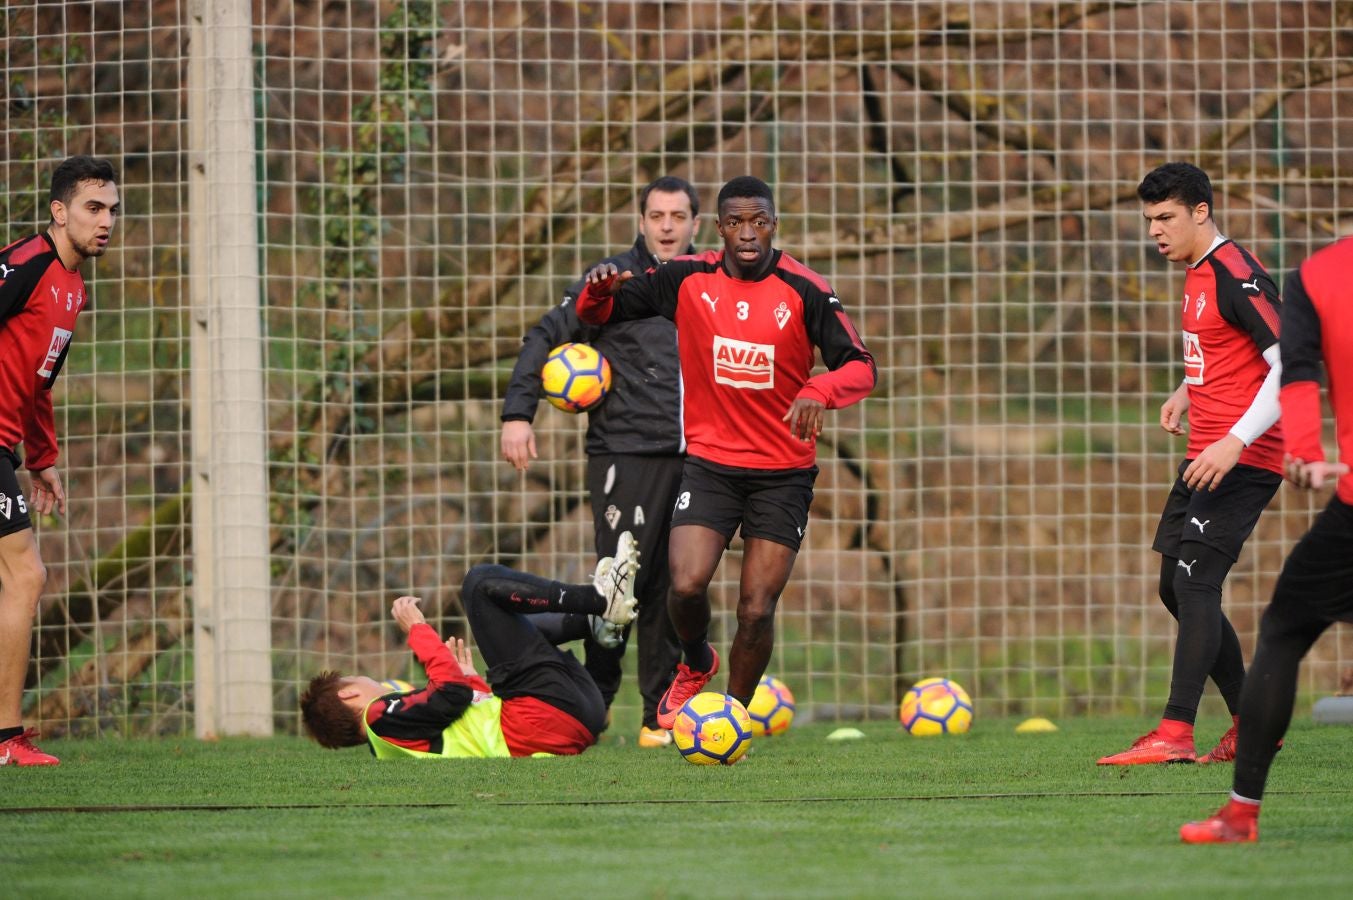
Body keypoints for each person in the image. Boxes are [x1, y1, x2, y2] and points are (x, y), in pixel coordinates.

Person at [574, 175, 876, 727]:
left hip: (782, 473)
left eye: (758, 221)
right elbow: (601, 314)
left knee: (755, 608)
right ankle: (696, 661)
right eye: (736, 222)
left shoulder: (806, 289)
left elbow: (861, 366)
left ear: (774, 224)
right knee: (685, 584)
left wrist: (819, 390)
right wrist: (597, 291)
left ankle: (729, 718)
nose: (748, 233)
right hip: (711, 465)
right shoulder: (686, 277)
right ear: (718, 228)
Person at [501, 176, 700, 747]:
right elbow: (544, 334)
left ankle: (659, 715)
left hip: (699, 457)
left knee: (678, 585)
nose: (667, 226)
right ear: (641, 222)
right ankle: (595, 699)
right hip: (626, 454)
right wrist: (518, 414)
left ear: (695, 224)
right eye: (657, 216)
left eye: (678, 216)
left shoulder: (707, 282)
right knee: (619, 582)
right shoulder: (610, 283)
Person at [1098, 162, 1284, 766]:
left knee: (1195, 582)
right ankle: (1253, 724)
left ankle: (1175, 732)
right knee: (1173, 587)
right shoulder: (1197, 269)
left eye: (1166, 218)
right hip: (1205, 452)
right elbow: (1227, 349)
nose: (1155, 230)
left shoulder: (1236, 273)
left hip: (1242, 457)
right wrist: (1186, 389)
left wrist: (1235, 441)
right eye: (1149, 219)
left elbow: (1291, 363)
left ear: (1201, 211)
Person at [1179, 236, 1353, 842]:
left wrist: (1303, 452)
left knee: (1282, 632)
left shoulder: (1318, 274)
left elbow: (1298, 372)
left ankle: (1240, 814)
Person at [301, 533, 639, 758]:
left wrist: (469, 679)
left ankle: (597, 623)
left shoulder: (390, 738)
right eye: (356, 678)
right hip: (546, 717)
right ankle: (597, 601)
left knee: (515, 627)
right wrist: (418, 630)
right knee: (478, 585)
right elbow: (451, 694)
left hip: (573, 719)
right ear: (348, 694)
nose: (368, 679)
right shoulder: (378, 715)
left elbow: (461, 717)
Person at [0, 155, 119, 767]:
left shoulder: (74, 289)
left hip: (5, 448)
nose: (106, 221)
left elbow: (39, 380)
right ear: (59, 211)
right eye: (92, 208)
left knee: (22, 577)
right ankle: (5, 739)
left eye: (112, 210)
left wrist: (42, 457)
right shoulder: (24, 263)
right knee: (25, 576)